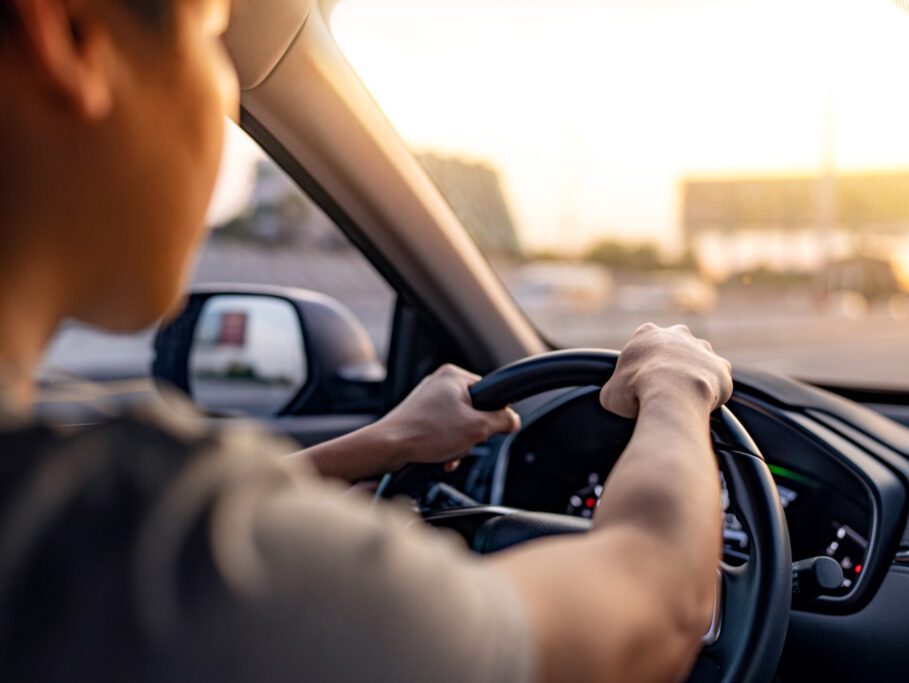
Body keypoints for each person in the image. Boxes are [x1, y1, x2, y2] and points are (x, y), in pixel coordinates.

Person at [0, 0, 733, 681]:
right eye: (211, 32)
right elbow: (656, 606)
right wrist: (675, 386)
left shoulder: (71, 511)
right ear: (68, 35)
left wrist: (382, 441)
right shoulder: (152, 560)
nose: (223, 94)